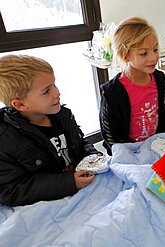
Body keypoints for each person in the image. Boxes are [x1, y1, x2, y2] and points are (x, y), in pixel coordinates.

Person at [0, 55, 100, 206]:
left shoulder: (61, 115)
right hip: (52, 202)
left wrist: (92, 155)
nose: (57, 93)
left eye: (54, 85)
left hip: (80, 187)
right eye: (46, 91)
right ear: (20, 104)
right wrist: (69, 182)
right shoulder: (6, 141)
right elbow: (11, 190)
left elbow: (78, 144)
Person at [99, 16, 165, 155]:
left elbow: (164, 114)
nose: (153, 58)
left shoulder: (159, 79)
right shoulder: (112, 93)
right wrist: (131, 155)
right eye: (144, 53)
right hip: (129, 153)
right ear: (125, 55)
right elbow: (111, 136)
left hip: (157, 147)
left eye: (155, 49)